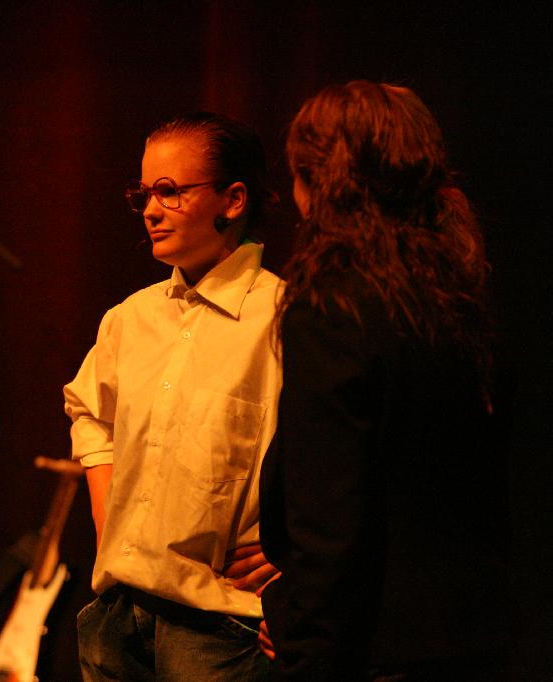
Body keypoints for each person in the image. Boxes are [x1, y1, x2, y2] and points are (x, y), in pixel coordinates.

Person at [259, 81, 509, 679]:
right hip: (472, 639)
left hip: (375, 648)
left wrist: (304, 644)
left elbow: (332, 519)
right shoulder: (459, 297)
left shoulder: (334, 308)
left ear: (318, 183)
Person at [64, 112, 282, 681]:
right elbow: (90, 414)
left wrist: (296, 554)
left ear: (233, 200)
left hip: (219, 626)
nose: (151, 210)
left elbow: (338, 454)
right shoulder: (130, 318)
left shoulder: (282, 319)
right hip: (118, 615)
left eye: (169, 191)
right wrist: (108, 518)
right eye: (144, 194)